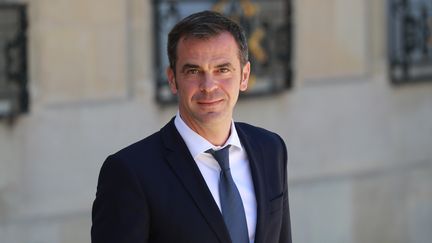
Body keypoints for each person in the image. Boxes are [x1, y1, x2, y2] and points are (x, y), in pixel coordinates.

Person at [91, 10, 291, 243]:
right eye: (193, 71)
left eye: (222, 69)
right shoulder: (130, 173)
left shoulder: (270, 148)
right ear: (173, 79)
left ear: (244, 76)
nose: (209, 85)